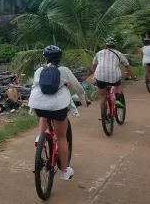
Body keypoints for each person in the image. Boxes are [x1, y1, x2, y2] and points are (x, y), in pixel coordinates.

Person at [29, 45, 87, 181]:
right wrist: (84, 101)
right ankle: (65, 171)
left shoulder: (39, 70)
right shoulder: (64, 70)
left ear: (45, 57)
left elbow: (34, 88)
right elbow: (78, 88)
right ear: (59, 58)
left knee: (44, 113)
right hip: (58, 107)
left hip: (39, 105)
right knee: (61, 138)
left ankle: (40, 137)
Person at [92, 37, 136, 109]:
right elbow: (127, 66)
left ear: (105, 45)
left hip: (100, 76)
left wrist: (95, 75)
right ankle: (118, 99)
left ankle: (104, 115)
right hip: (114, 76)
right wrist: (133, 76)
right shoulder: (119, 54)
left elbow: (94, 66)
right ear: (114, 45)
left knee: (103, 97)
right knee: (118, 85)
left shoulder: (99, 53)